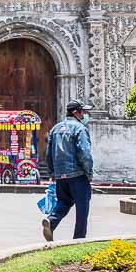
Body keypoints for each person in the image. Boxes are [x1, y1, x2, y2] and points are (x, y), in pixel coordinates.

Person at [42, 100, 94, 242]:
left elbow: (48, 153)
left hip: (60, 175)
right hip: (77, 174)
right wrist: (89, 172)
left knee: (64, 202)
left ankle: (51, 221)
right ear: (76, 112)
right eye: (83, 112)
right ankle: (79, 238)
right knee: (82, 207)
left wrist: (52, 172)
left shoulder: (55, 129)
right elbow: (85, 153)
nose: (85, 115)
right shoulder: (80, 129)